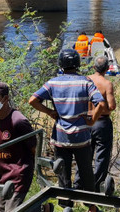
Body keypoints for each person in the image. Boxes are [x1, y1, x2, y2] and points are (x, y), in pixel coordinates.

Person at [29, 49, 106, 195]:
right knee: (86, 173)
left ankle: (65, 204)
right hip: (82, 138)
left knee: (63, 176)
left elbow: (32, 100)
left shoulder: (52, 83)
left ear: (61, 65)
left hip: (61, 137)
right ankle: (91, 205)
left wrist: (49, 112)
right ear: (78, 64)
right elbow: (101, 104)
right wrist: (92, 121)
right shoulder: (85, 82)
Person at [0, 82, 36, 212]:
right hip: (3, 173)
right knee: (1, 210)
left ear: (5, 99)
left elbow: (34, 148)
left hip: (19, 173)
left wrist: (26, 167)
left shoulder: (19, 121)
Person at [87, 56, 116, 189]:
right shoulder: (107, 84)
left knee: (84, 155)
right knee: (102, 157)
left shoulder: (86, 80)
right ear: (107, 69)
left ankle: (80, 184)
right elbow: (112, 106)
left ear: (94, 68)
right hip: (102, 122)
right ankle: (97, 187)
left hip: (86, 122)